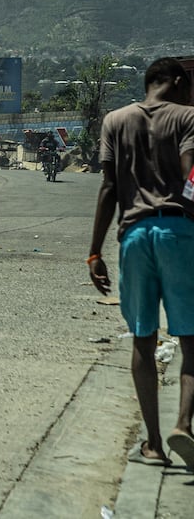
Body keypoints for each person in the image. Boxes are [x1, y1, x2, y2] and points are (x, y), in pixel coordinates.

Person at [88, 57, 194, 468]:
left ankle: (152, 443)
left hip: (133, 236)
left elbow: (109, 188)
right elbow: (191, 172)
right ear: (177, 83)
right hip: (179, 233)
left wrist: (94, 251)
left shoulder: (115, 120)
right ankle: (183, 423)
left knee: (143, 340)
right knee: (190, 338)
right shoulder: (188, 117)